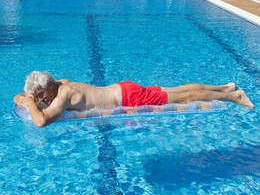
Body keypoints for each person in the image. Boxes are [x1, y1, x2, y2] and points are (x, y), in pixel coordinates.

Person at [14, 70, 254, 127]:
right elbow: (19, 96)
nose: (40, 100)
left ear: (48, 88)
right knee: (179, 89)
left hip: (130, 99)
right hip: (123, 89)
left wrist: (32, 104)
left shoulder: (63, 95)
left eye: (41, 96)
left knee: (184, 97)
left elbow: (41, 122)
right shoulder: (59, 83)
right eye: (37, 97)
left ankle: (234, 95)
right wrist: (28, 98)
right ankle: (223, 87)